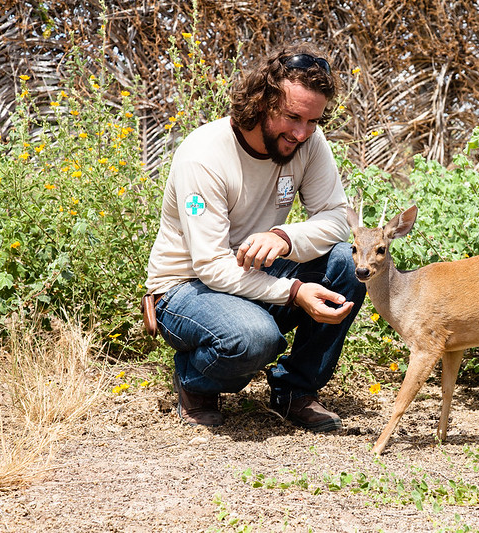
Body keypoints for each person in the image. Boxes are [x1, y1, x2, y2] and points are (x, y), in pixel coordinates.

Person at [145, 43, 365, 433]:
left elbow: (336, 218)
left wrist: (284, 236)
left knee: (348, 264)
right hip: (187, 285)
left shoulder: (309, 142)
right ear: (263, 101)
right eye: (293, 117)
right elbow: (211, 266)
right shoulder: (204, 155)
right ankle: (195, 383)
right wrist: (295, 290)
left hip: (253, 270)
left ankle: (295, 391)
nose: (302, 133)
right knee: (254, 338)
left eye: (313, 121)